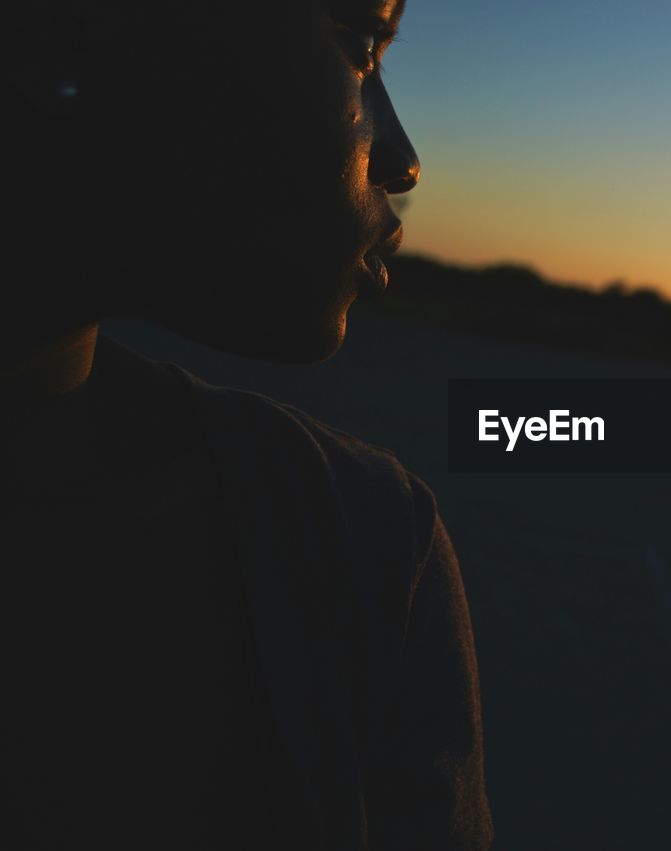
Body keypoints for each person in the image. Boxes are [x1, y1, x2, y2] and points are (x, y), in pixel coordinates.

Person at [0, 1, 493, 848]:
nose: (405, 162)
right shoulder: (343, 538)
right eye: (361, 46)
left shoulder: (372, 535)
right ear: (58, 34)